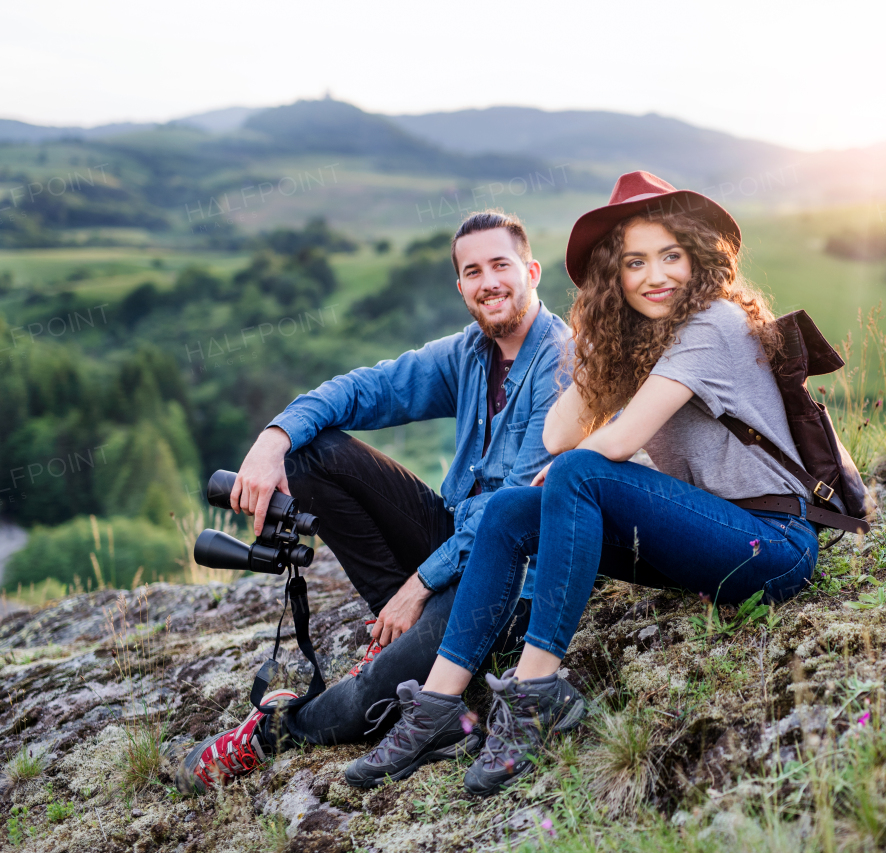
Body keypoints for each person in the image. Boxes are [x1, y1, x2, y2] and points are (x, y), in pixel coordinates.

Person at [345, 171, 822, 796]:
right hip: (711, 536)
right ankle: (437, 709)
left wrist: (575, 466)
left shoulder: (714, 325)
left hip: (773, 547)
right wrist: (601, 344)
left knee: (578, 472)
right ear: (615, 276)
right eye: (634, 263)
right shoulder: (651, 340)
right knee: (512, 510)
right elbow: (557, 432)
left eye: (670, 256)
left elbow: (610, 445)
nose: (655, 276)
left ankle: (537, 691)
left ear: (699, 258)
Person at [175, 210, 572, 793]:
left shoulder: (560, 363)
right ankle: (404, 631)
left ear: (531, 271)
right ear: (459, 286)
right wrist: (273, 438)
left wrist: (418, 585)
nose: (488, 281)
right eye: (472, 271)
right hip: (455, 538)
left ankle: (275, 732)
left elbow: (514, 507)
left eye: (500, 265)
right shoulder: (469, 352)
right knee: (313, 451)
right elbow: (366, 387)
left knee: (372, 696)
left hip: (516, 575)